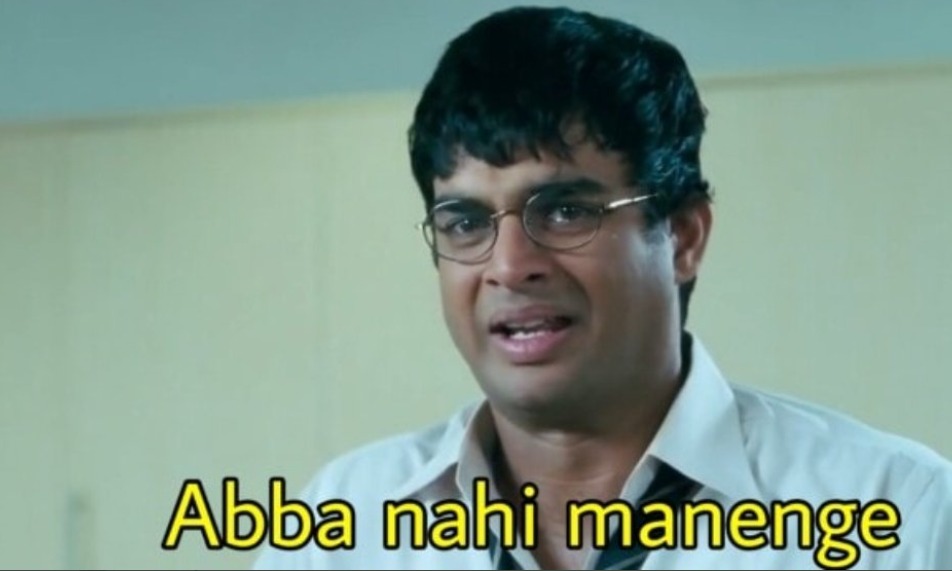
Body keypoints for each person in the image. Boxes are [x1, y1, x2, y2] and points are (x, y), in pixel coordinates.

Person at [254, 6, 952, 570]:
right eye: (466, 222)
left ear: (682, 237)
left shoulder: (895, 514)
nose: (510, 265)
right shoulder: (343, 527)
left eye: (564, 211)